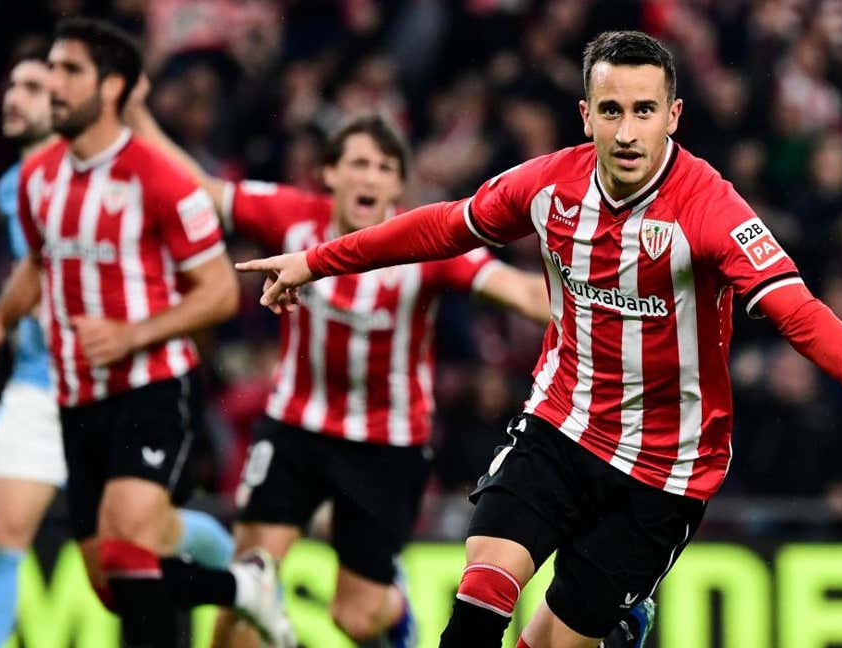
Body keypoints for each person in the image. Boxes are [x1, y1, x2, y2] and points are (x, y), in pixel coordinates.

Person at [236, 31, 842, 647]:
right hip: (561, 424)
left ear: (674, 115)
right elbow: (442, 226)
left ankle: (621, 619)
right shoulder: (548, 185)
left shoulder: (712, 211)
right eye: (611, 111)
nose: (627, 132)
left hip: (666, 468)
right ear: (586, 115)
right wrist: (314, 260)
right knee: (481, 591)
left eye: (643, 111)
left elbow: (801, 314)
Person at [126, 94, 555, 646]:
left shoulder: (424, 244)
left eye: (383, 167)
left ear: (398, 186)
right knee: (246, 592)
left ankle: (393, 607)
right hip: (295, 428)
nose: (369, 177)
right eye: (357, 163)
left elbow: (517, 289)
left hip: (386, 445)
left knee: (353, 618)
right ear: (329, 173)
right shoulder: (293, 219)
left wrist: (601, 299)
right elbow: (199, 189)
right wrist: (135, 114)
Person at [0, 18, 287, 647]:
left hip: (152, 387)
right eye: (50, 69)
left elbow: (218, 290)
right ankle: (243, 587)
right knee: (111, 581)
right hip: (77, 399)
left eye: (68, 71)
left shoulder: (160, 178)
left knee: (130, 547)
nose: (53, 84)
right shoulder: (38, 178)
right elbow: (36, 263)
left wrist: (135, 334)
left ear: (111, 89)